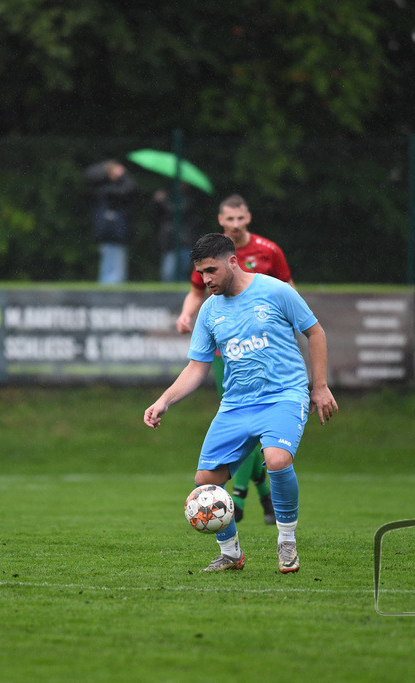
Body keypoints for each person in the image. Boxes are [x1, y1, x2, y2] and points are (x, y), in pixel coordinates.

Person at [144, 233, 338, 573]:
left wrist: (319, 386)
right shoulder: (209, 311)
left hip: (283, 395)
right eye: (201, 273)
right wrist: (164, 401)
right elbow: (196, 367)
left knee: (276, 460)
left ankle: (287, 542)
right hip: (236, 405)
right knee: (205, 479)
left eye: (211, 271)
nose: (205, 280)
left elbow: (315, 332)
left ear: (233, 261)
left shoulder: (276, 291)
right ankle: (231, 553)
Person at [176, 194, 295, 524]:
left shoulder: (268, 251)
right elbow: (196, 293)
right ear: (221, 220)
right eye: (230, 219)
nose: (236, 224)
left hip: (264, 351)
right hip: (224, 353)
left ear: (249, 217)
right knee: (244, 429)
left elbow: (288, 292)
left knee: (256, 432)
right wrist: (186, 315)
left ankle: (240, 496)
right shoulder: (210, 257)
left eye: (240, 218)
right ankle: (259, 489)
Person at [85, 160, 137, 284]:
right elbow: (130, 188)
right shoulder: (107, 189)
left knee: (111, 260)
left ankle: (108, 284)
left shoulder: (109, 188)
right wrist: (122, 174)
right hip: (112, 230)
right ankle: (111, 286)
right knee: (113, 262)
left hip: (113, 231)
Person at [153, 183, 203, 282]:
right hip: (170, 242)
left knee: (180, 273)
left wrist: (162, 201)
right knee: (168, 274)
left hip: (185, 242)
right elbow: (158, 214)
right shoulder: (171, 198)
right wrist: (158, 201)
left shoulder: (190, 199)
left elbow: (178, 211)